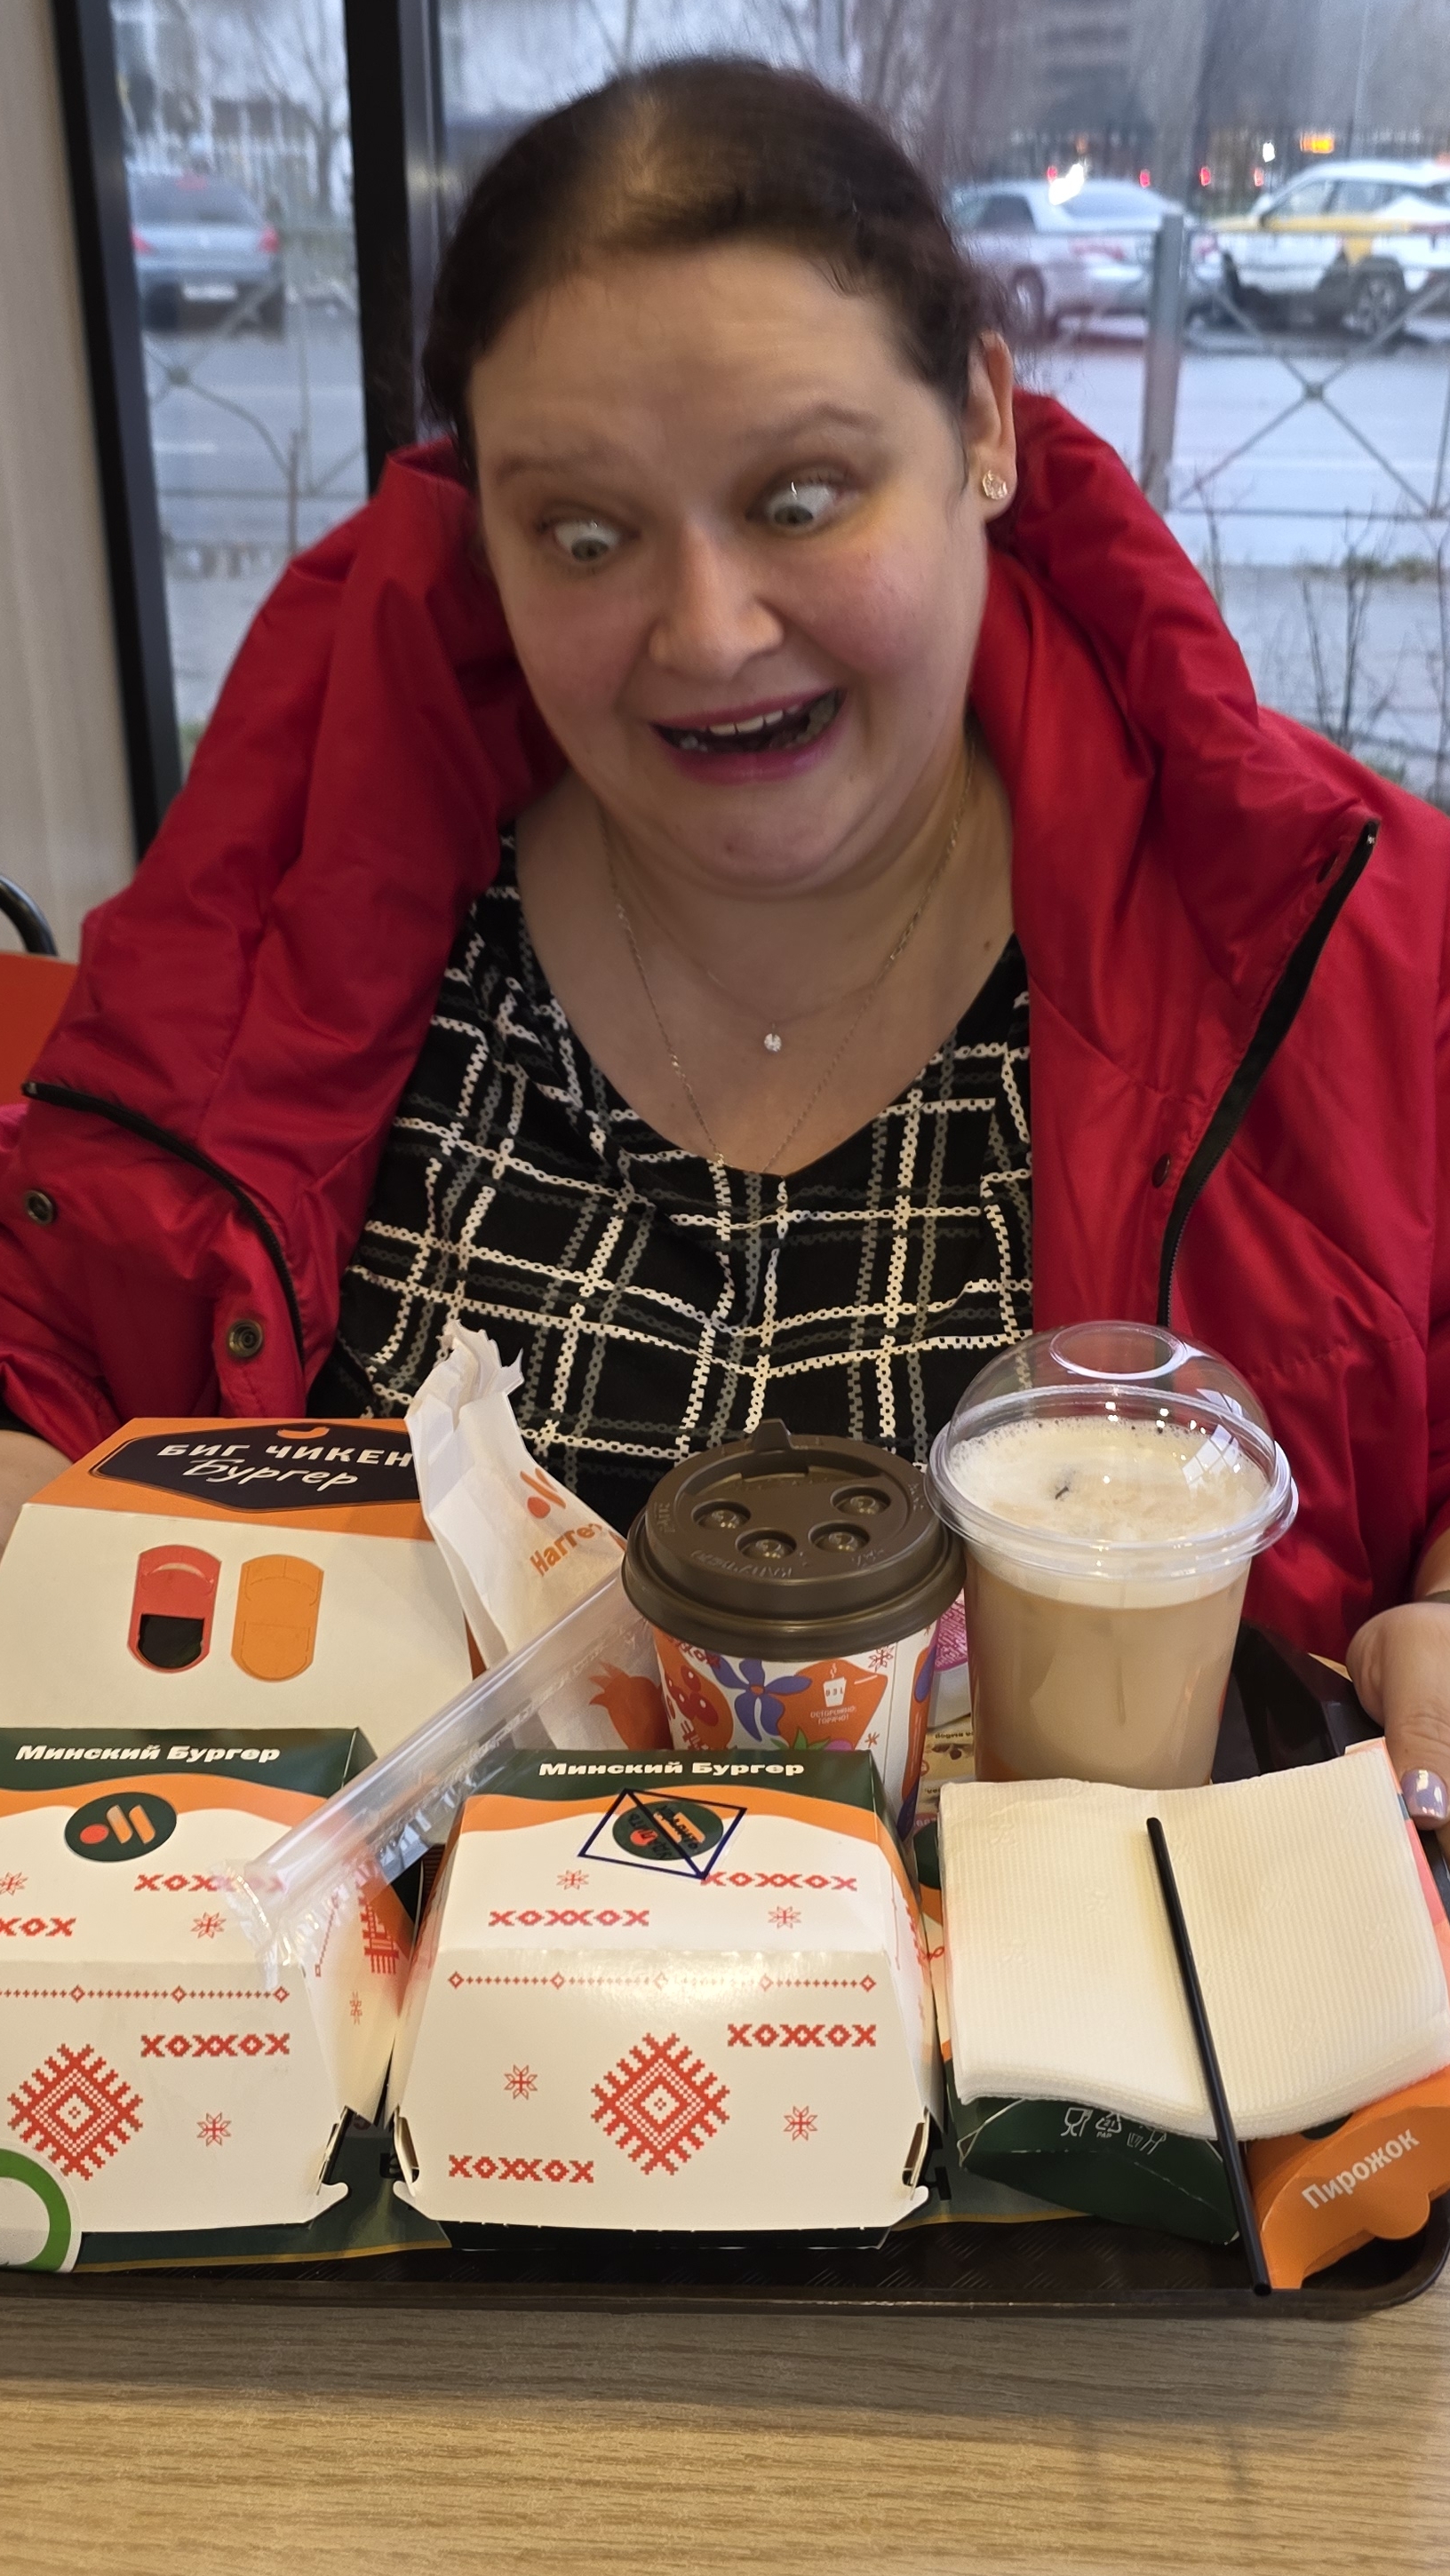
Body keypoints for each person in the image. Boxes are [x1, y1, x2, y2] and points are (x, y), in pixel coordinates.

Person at [2, 60, 1448, 1825]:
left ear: (984, 428)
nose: (705, 630)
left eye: (800, 498)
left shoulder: (1353, 941)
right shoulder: (292, 920)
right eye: (582, 533)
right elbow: (48, 1324)